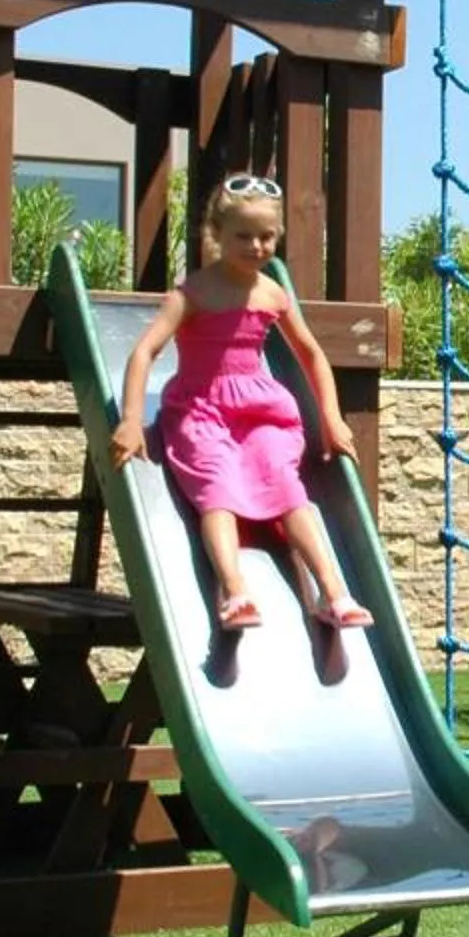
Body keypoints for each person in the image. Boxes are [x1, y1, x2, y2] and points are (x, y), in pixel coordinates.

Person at [110, 175, 375, 636]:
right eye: (244, 236)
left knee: (285, 482)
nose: (256, 245)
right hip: (201, 409)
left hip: (258, 409)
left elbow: (312, 353)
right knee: (218, 485)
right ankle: (234, 591)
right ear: (217, 233)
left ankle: (334, 593)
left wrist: (331, 418)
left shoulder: (272, 294)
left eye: (267, 236)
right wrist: (132, 420)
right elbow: (144, 352)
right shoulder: (193, 293)